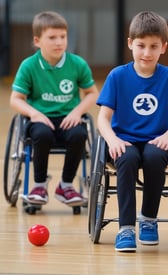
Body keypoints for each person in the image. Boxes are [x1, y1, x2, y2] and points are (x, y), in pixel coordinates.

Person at [96, 11, 168, 252]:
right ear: (130, 44)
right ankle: (125, 227)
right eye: (141, 45)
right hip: (124, 140)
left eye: (153, 46)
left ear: (164, 47)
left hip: (156, 140)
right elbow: (103, 119)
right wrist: (112, 139)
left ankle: (148, 219)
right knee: (126, 160)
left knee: (154, 157)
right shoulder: (117, 76)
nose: (147, 52)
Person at [10, 11, 98, 207]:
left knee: (78, 135)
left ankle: (66, 186)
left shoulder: (77, 64)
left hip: (69, 117)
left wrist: (77, 112)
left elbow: (92, 93)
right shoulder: (29, 66)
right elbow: (15, 100)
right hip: (41, 118)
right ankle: (39, 185)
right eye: (52, 37)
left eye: (63, 37)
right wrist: (34, 113)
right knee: (41, 135)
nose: (59, 42)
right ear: (37, 40)